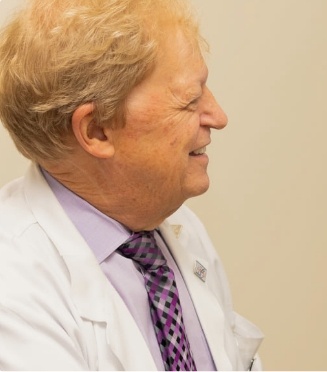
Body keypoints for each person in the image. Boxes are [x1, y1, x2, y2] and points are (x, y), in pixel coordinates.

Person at [0, 0, 263, 370]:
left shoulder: (175, 227)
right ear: (96, 130)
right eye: (190, 99)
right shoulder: (13, 292)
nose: (218, 116)